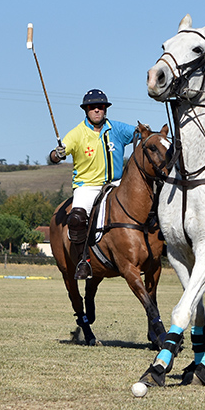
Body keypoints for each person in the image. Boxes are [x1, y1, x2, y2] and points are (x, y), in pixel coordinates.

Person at [49, 89, 137, 279]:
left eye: (101, 106)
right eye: (92, 107)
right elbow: (54, 156)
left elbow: (140, 134)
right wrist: (57, 154)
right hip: (87, 186)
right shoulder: (77, 133)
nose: (97, 110)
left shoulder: (117, 128)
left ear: (105, 109)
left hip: (116, 184)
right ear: (86, 110)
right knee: (77, 219)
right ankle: (84, 261)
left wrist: (145, 131)